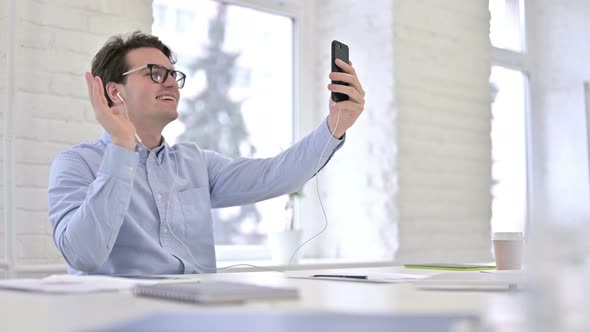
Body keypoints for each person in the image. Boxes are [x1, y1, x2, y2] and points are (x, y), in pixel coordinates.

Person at [48, 31, 365, 275]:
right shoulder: (76, 165)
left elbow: (274, 174)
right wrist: (121, 146)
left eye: (174, 75)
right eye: (156, 73)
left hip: (196, 314)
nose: (171, 82)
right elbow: (84, 256)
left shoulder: (195, 162)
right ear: (115, 91)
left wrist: (336, 125)